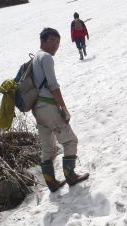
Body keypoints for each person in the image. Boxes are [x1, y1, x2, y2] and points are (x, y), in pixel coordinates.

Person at [32, 27, 89, 192]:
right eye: (52, 41)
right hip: (48, 106)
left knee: (48, 147)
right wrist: (63, 107)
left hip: (37, 108)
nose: (55, 45)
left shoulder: (35, 57)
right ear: (43, 41)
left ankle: (51, 182)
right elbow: (53, 85)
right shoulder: (47, 57)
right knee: (70, 140)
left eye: (57, 42)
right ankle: (71, 176)